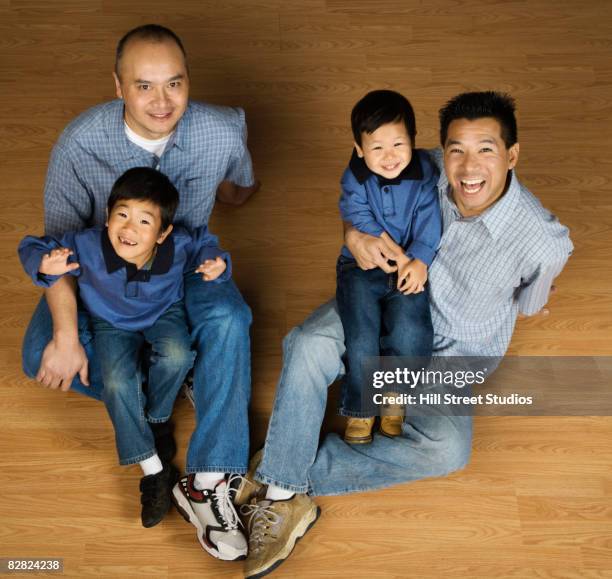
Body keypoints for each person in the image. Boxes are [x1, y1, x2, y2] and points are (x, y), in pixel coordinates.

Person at [236, 91, 573, 578]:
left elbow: (532, 302)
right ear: (440, 148)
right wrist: (353, 235)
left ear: (512, 155)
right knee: (308, 343)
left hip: (453, 352)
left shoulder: (542, 241)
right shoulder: (420, 165)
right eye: (456, 149)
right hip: (383, 300)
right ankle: (285, 497)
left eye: (486, 149)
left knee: (448, 449)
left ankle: (285, 470)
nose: (467, 167)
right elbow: (366, 180)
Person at [20, 24, 258, 560]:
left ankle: (208, 480)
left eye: (174, 84)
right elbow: (57, 251)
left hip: (178, 271)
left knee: (229, 321)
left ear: (189, 81)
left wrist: (229, 204)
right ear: (118, 86)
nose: (161, 102)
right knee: (41, 354)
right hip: (100, 280)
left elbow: (241, 186)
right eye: (144, 86)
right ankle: (170, 392)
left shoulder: (222, 129)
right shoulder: (79, 144)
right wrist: (65, 333)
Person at [19, 167, 232, 529]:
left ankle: (158, 419)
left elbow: (204, 243)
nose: (129, 229)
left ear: (164, 232)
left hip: (163, 312)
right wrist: (43, 262)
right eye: (121, 215)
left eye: (144, 221)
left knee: (178, 354)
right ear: (107, 217)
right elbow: (33, 245)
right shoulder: (86, 244)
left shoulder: (178, 245)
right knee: (118, 382)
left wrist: (217, 264)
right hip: (110, 322)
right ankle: (153, 469)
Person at [336, 90, 441, 444]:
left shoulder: (425, 172)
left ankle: (396, 397)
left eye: (398, 144)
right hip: (360, 265)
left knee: (412, 332)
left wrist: (421, 260)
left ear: (413, 140)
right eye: (376, 148)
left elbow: (431, 218)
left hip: (410, 264)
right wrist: (386, 245)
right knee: (361, 334)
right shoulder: (355, 177)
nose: (389, 156)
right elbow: (356, 215)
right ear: (359, 149)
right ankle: (362, 406)